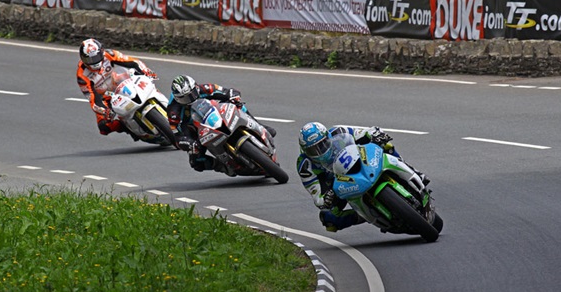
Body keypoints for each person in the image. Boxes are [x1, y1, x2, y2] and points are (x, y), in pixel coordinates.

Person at [297, 122, 427, 232]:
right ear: (304, 151)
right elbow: (316, 195)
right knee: (328, 220)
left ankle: (410, 170)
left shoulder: (339, 131)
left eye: (322, 144)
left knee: (386, 145)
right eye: (313, 150)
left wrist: (376, 134)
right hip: (340, 185)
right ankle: (367, 215)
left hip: (361, 161)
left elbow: (365, 132)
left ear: (327, 137)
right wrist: (327, 199)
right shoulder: (305, 165)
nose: (320, 152)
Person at [168, 75, 276, 172]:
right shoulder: (173, 112)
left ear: (195, 87)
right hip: (195, 130)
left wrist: (233, 96)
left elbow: (225, 91)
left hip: (214, 115)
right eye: (184, 98)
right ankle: (223, 167)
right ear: (177, 98)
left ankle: (259, 126)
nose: (190, 99)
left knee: (238, 105)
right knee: (196, 163)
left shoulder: (205, 88)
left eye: (191, 94)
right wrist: (189, 143)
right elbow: (177, 136)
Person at [77, 38, 157, 137]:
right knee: (104, 127)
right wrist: (104, 110)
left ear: (101, 52)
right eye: (89, 59)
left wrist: (146, 71)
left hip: (124, 81)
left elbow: (132, 61)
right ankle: (128, 128)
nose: (93, 62)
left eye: (96, 57)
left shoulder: (110, 54)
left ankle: (159, 100)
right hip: (107, 97)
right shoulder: (82, 76)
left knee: (147, 81)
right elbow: (92, 99)